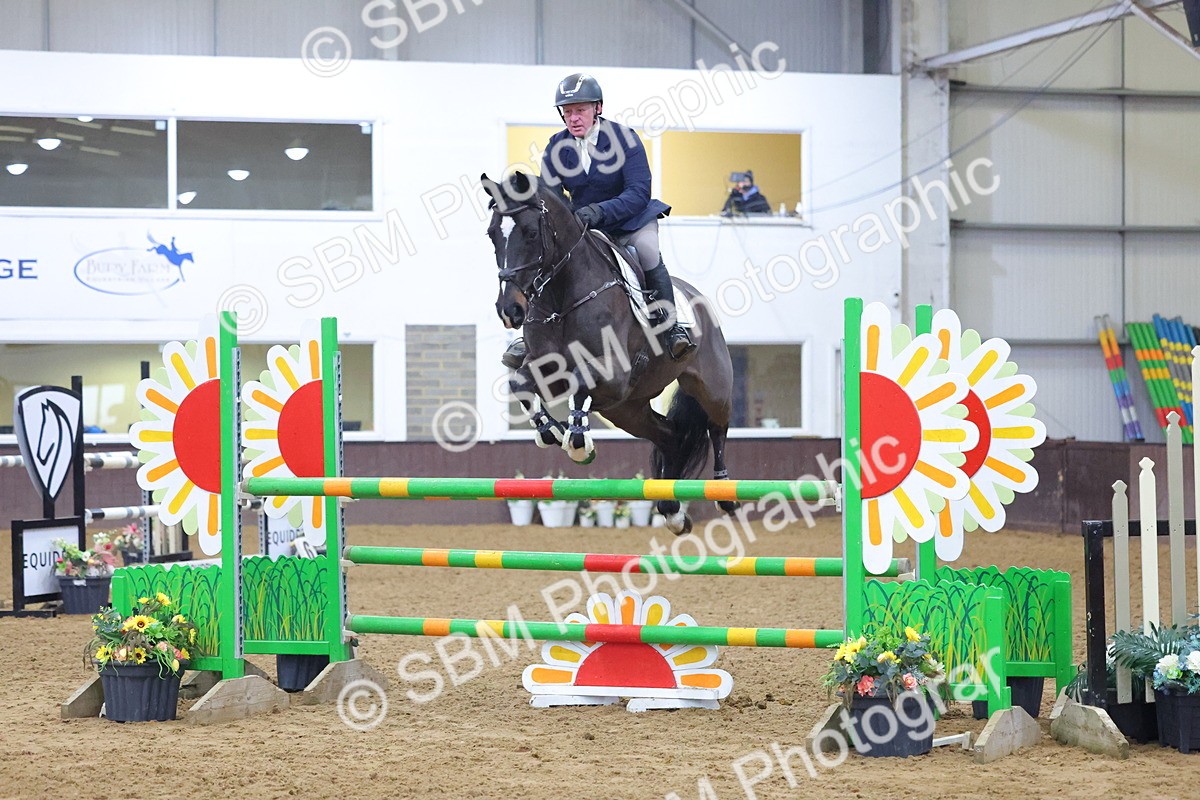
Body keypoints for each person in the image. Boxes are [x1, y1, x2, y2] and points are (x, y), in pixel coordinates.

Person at [501, 73, 696, 369]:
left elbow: (638, 192)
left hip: (631, 221)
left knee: (647, 252)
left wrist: (599, 212)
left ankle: (670, 328)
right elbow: (553, 199)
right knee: (548, 258)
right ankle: (531, 336)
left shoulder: (625, 139)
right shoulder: (556, 147)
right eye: (567, 112)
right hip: (585, 226)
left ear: (598, 108)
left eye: (580, 110)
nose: (573, 118)